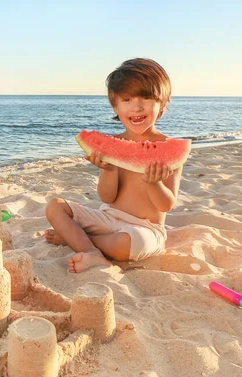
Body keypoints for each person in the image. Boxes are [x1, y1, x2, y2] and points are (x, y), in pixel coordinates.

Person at [45, 58, 184, 273]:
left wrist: (154, 183)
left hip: (146, 229)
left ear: (163, 103)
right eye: (127, 99)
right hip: (108, 217)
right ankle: (92, 253)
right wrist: (107, 170)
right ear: (115, 106)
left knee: (124, 244)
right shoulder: (112, 145)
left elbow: (166, 205)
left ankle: (78, 240)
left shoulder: (170, 149)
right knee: (55, 206)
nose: (137, 106)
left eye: (146, 98)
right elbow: (107, 198)